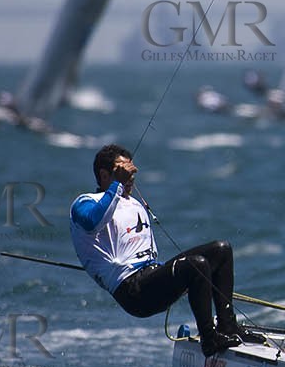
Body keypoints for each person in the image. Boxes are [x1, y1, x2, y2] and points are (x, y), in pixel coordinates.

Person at [70, 144, 262, 355]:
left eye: (130, 169)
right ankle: (210, 340)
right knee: (196, 265)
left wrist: (172, 277)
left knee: (221, 250)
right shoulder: (84, 203)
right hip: (132, 291)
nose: (130, 175)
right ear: (104, 174)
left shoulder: (134, 204)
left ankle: (228, 327)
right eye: (121, 170)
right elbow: (92, 222)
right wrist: (116, 185)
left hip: (151, 276)